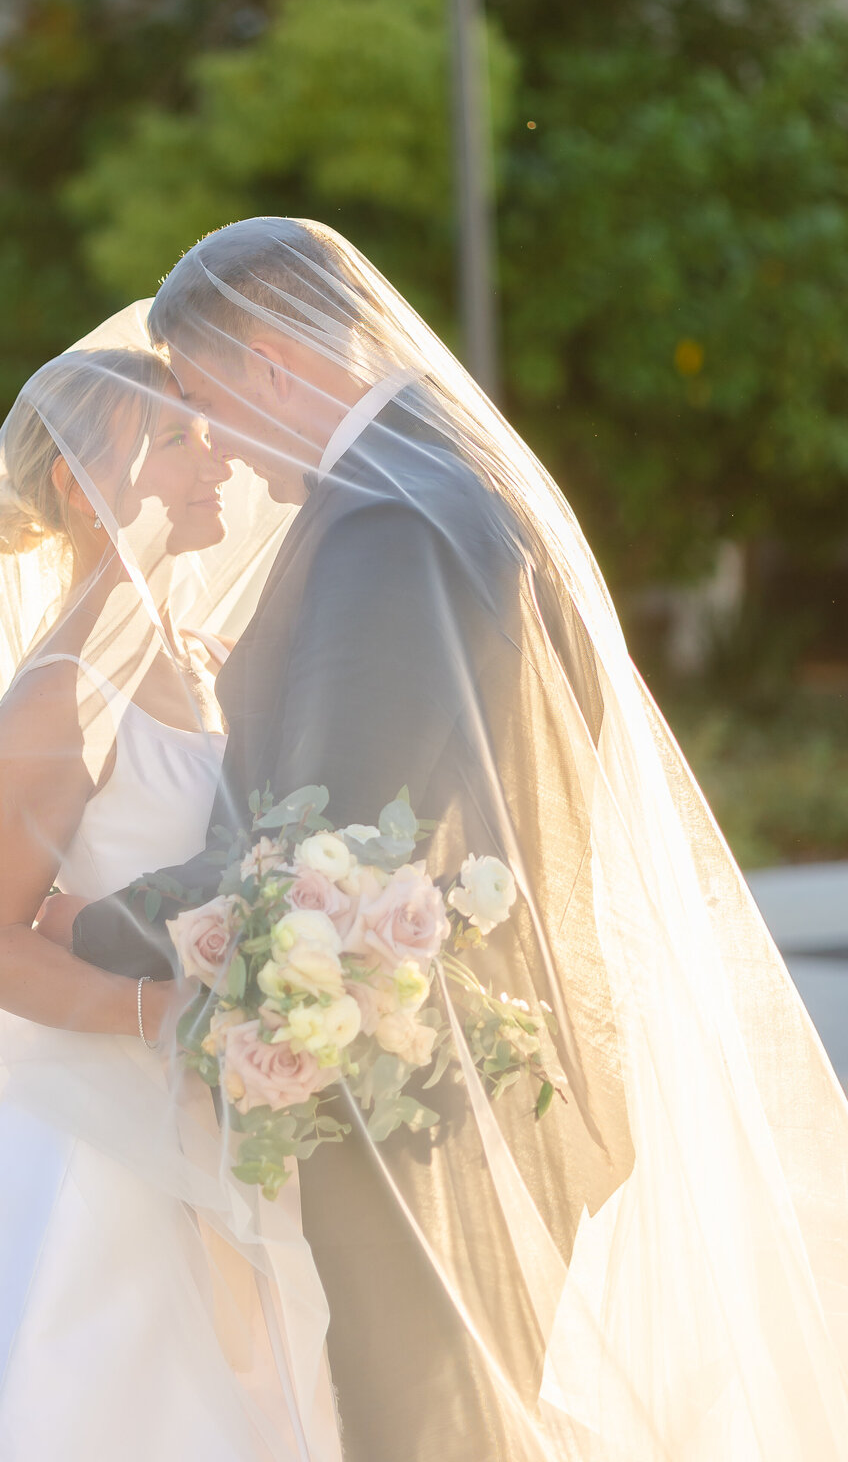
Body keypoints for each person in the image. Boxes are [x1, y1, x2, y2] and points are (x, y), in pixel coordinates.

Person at [46, 217, 848, 1462]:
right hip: (471, 1062)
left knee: (427, 1426)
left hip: (434, 1094)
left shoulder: (392, 522)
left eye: (210, 397)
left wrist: (84, 934)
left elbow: (336, 836)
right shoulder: (437, 483)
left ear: (270, 356)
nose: (239, 465)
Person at [0, 327, 322, 1462]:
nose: (218, 458)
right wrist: (165, 1019)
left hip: (221, 1113)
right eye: (180, 441)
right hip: (111, 1136)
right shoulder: (58, 698)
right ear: (91, 490)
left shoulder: (199, 651)